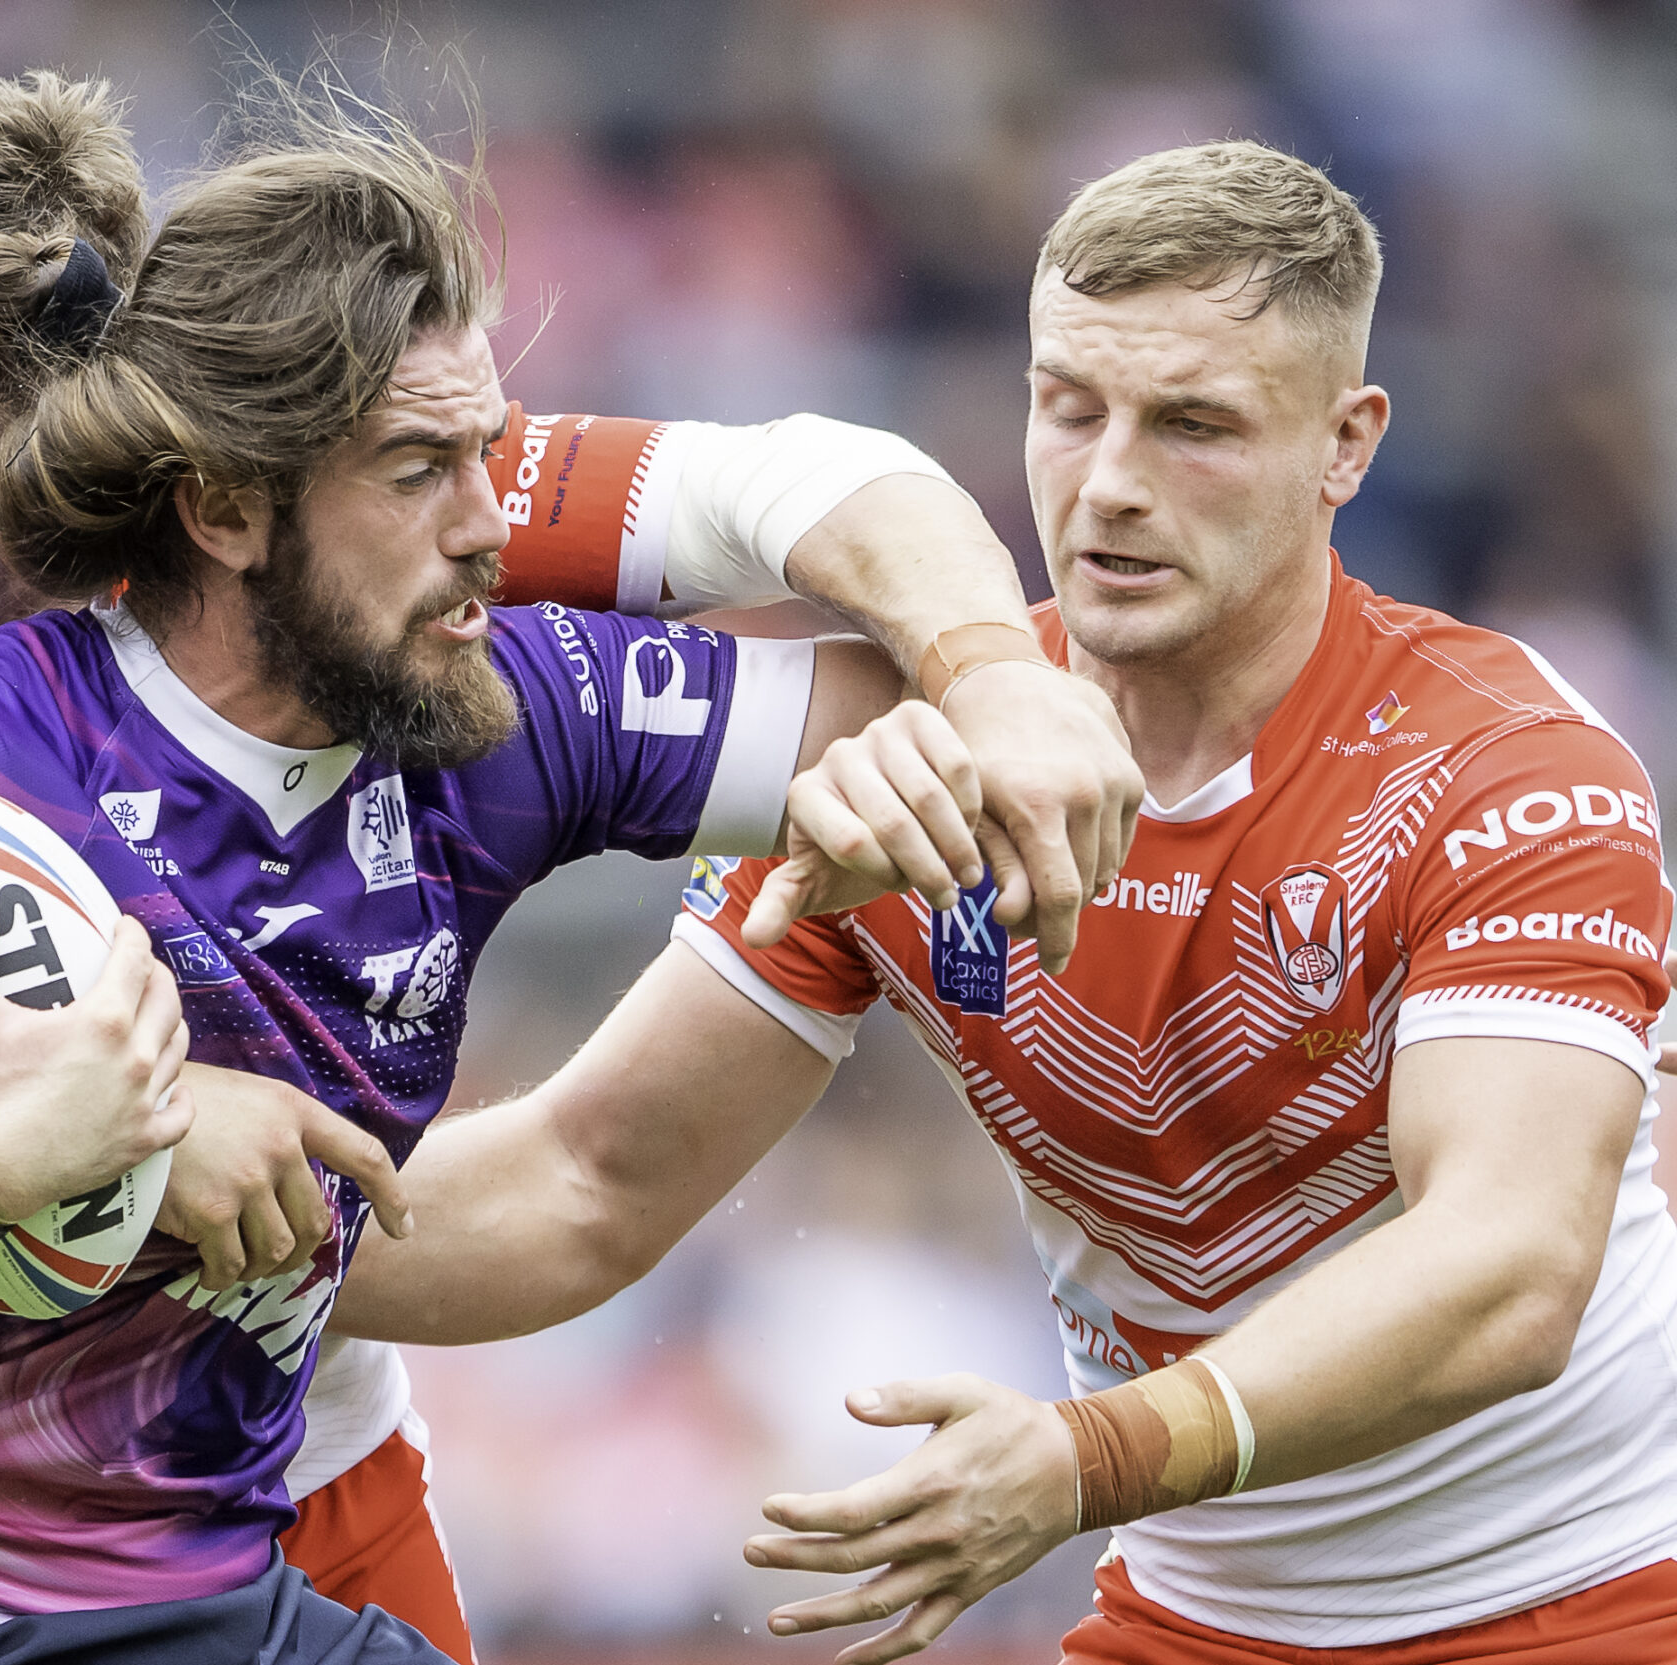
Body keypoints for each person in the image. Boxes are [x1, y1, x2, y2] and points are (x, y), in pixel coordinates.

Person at [0, 69, 1139, 1663]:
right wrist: (127, 1135)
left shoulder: (366, 521)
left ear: (93, 410)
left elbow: (795, 488)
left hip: (282, 1461)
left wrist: (985, 692)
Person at [330, 141, 1677, 1664]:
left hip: (1589, 1602)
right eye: (1069, 408)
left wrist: (1087, 1459)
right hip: (1190, 1617)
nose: (1109, 487)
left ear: (1345, 444)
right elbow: (586, 1183)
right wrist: (170, 1242)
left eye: (1194, 426)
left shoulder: (1506, 768)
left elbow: (1507, 1266)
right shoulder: (908, 763)